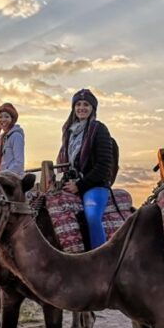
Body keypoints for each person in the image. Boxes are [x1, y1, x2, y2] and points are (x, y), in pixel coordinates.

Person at [57, 88, 114, 250]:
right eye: (78, 104)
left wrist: (80, 185)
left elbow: (104, 166)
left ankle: (100, 257)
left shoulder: (99, 129)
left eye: (86, 105)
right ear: (73, 107)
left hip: (94, 185)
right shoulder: (69, 132)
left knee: (93, 217)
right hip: (72, 183)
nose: (81, 108)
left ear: (92, 108)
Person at [0, 103, 24, 175]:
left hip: (13, 177)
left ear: (12, 119)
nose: (3, 119)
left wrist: (2, 174)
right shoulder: (2, 138)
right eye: (0, 117)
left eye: (6, 117)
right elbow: (0, 165)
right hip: (3, 176)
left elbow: (19, 163)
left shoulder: (16, 136)